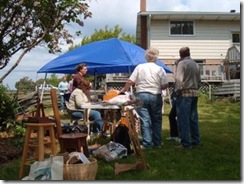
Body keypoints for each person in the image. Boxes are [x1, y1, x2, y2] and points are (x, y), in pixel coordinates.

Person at [119, 47, 169, 149]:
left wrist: (123, 90)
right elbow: (164, 85)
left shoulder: (140, 67)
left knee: (145, 120)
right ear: (156, 58)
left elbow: (130, 81)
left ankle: (147, 143)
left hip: (141, 95)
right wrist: (157, 85)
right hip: (155, 95)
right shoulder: (160, 69)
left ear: (146, 57)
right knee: (157, 119)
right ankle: (157, 142)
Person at [174, 47, 201, 149]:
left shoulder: (182, 64)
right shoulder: (195, 64)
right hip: (194, 93)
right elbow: (199, 80)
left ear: (180, 54)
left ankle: (185, 144)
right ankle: (196, 140)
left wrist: (177, 91)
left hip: (184, 94)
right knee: (193, 118)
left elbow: (179, 80)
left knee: (183, 119)